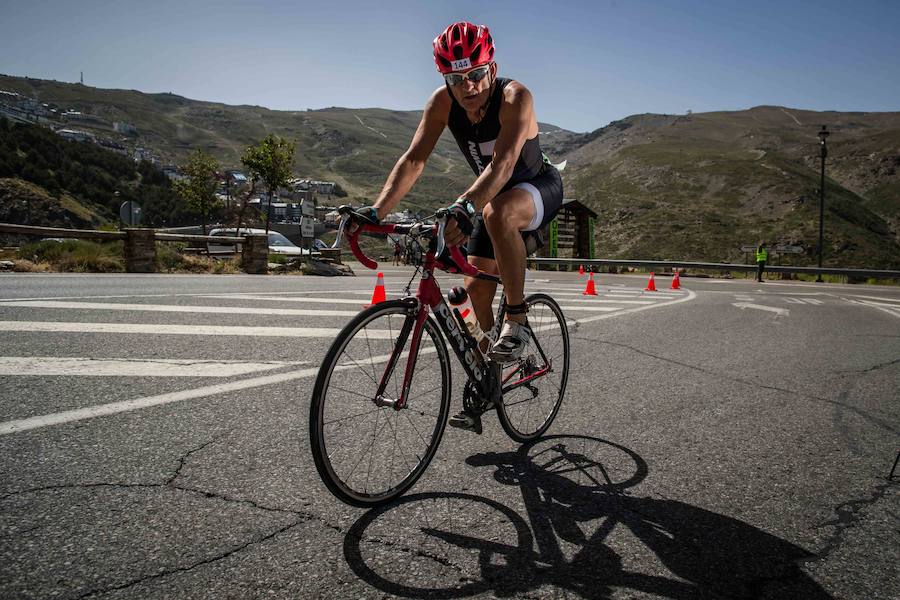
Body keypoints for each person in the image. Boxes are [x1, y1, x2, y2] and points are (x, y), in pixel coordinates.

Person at [347, 20, 563, 368]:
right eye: (455, 79)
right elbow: (414, 159)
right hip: (488, 199)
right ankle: (491, 378)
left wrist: (466, 206)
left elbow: (504, 165)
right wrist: (376, 212)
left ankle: (517, 318)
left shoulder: (515, 97)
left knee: (498, 212)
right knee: (474, 292)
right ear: (445, 80)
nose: (468, 86)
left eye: (476, 74)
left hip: (537, 187)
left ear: (492, 69)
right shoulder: (442, 103)